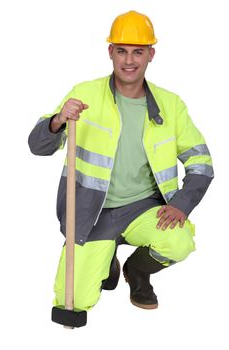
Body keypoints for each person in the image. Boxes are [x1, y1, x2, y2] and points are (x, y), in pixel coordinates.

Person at [28, 10, 214, 312]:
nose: (129, 61)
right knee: (71, 302)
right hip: (92, 214)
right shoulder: (84, 94)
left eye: (138, 52)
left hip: (144, 208)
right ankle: (106, 254)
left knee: (179, 242)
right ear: (110, 52)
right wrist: (59, 119)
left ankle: (137, 271)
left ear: (151, 54)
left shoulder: (171, 105)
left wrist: (181, 203)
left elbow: (202, 163)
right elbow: (37, 146)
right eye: (122, 51)